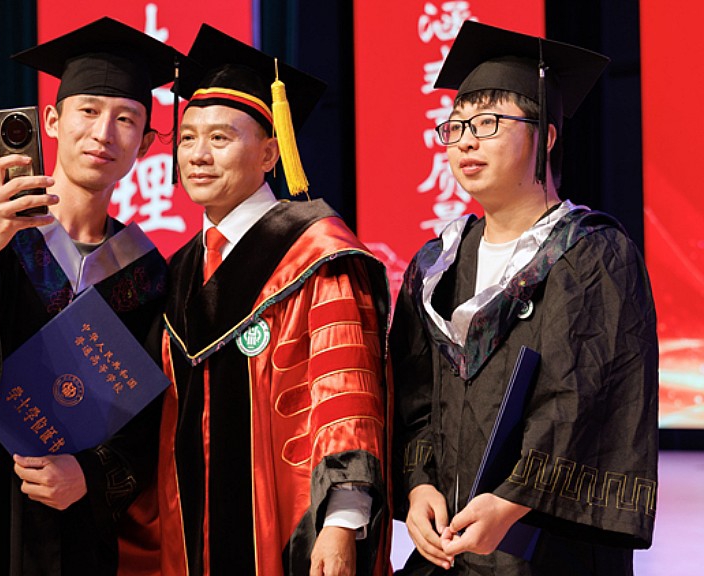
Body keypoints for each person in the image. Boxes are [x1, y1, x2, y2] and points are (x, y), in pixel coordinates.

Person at [0, 17, 181, 576]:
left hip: (73, 523)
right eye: (88, 110)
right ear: (51, 121)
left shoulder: (144, 275)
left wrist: (89, 475)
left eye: (125, 119)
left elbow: (147, 418)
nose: (103, 133)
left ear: (144, 144)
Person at [391, 21, 658, 575]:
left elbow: (582, 399)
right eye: (456, 125)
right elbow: (413, 395)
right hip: (448, 550)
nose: (465, 140)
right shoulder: (436, 265)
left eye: (488, 122)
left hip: (546, 550)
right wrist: (418, 485)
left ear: (547, 137)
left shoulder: (592, 254)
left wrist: (511, 501)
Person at [156, 24, 393, 576]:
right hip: (186, 543)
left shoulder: (315, 253)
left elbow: (346, 393)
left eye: (220, 139)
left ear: (269, 153)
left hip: (292, 533)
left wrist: (341, 523)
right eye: (187, 139)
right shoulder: (177, 270)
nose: (198, 155)